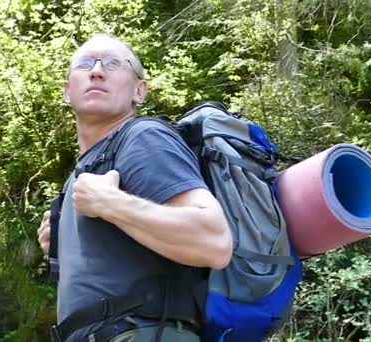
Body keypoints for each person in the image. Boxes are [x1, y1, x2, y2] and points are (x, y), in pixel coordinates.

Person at [37, 33, 233, 342]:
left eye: (114, 63)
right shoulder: (85, 169)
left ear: (139, 91)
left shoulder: (144, 138)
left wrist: (111, 203)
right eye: (85, 63)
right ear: (67, 91)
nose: (97, 71)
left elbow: (214, 241)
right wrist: (63, 243)